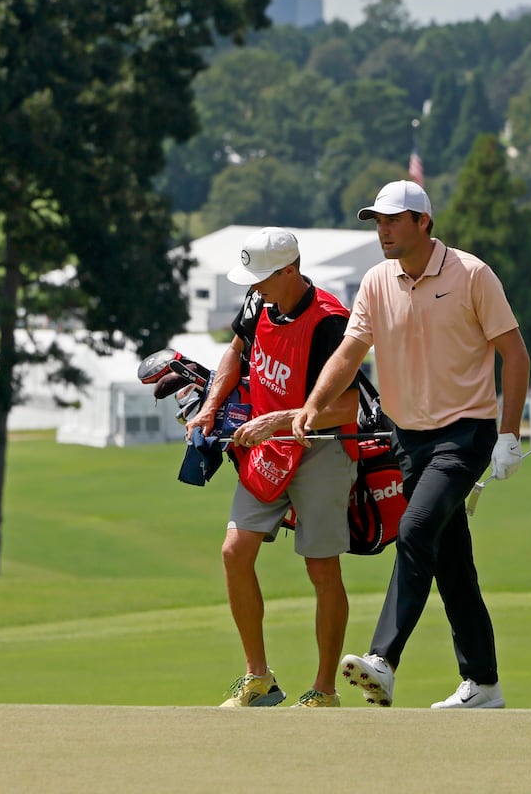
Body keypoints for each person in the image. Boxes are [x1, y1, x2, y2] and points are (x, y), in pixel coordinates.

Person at [291, 179, 531, 711]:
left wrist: (509, 435)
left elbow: (515, 356)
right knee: (453, 563)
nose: (383, 230)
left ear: (424, 222)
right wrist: (313, 403)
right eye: (377, 221)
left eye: (393, 220)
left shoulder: (472, 274)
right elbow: (350, 352)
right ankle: (484, 685)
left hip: (465, 434)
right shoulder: (377, 281)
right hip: (408, 441)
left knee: (416, 530)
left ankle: (384, 659)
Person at [186, 227, 362, 709]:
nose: (255, 286)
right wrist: (209, 405)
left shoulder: (331, 321)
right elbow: (237, 351)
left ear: (291, 270)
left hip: (321, 451)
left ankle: (323, 691)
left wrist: (281, 420)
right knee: (234, 551)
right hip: (266, 450)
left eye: (263, 277)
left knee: (322, 569)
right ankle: (258, 678)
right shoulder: (255, 303)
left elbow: (348, 406)